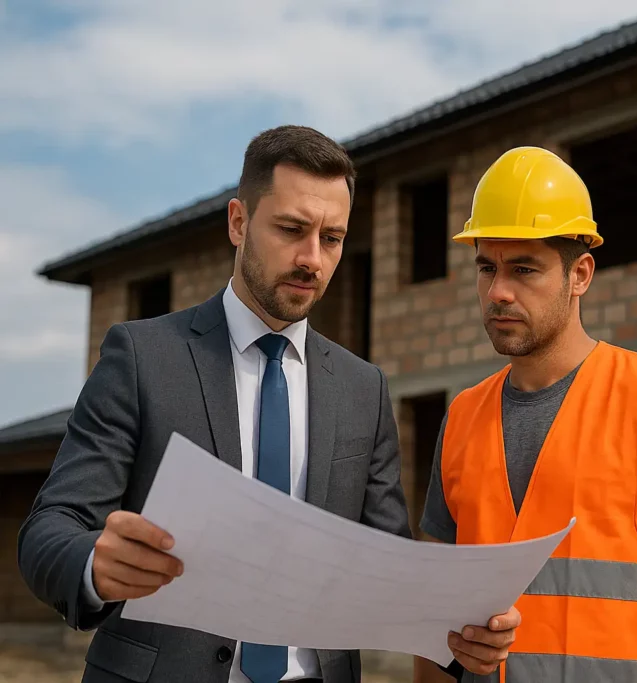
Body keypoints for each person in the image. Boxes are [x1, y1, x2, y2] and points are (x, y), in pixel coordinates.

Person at [17, 125, 518, 683]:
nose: (312, 259)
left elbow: (384, 566)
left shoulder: (364, 389)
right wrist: (94, 564)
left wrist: (457, 629)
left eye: (332, 238)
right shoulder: (143, 358)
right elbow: (50, 527)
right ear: (238, 222)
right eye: (291, 229)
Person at [412, 146, 637, 682]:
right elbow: (435, 610)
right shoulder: (461, 418)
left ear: (580, 274)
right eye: (486, 267)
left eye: (524, 269)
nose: (499, 291)